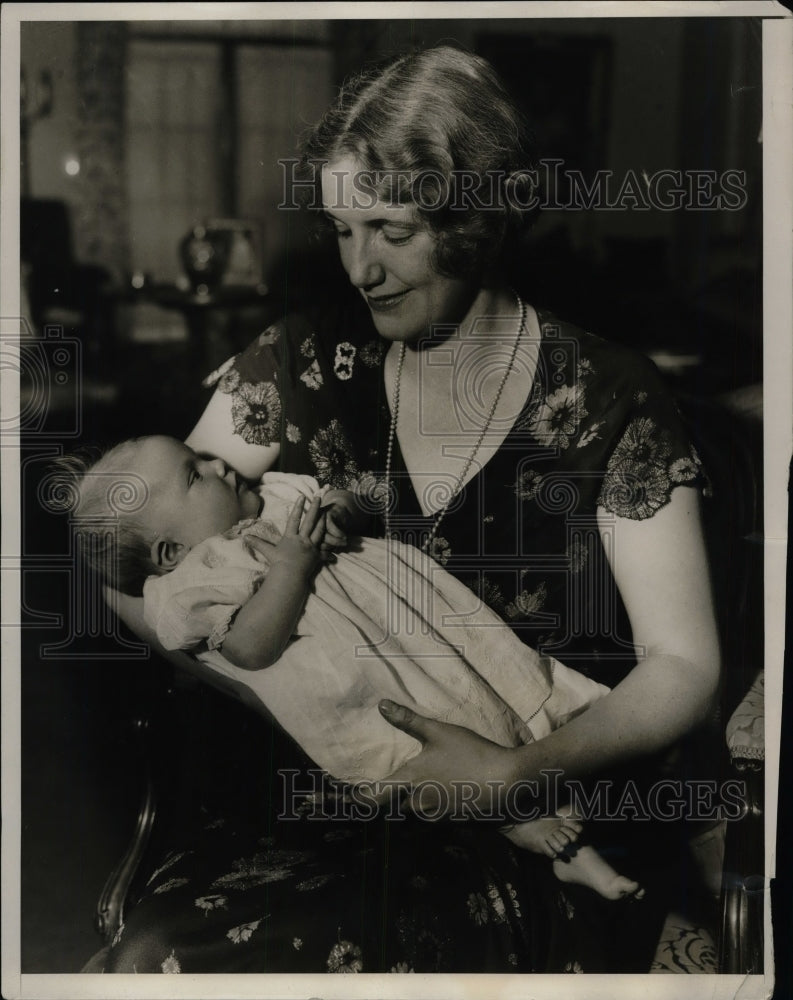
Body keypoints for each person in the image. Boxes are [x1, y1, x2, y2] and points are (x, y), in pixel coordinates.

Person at [98, 44, 720, 974]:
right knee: (162, 956)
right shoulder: (304, 358)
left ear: (475, 213)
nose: (361, 269)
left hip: (554, 805)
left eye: (391, 229)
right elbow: (125, 564)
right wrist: (274, 682)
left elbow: (684, 667)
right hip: (335, 806)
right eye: (343, 231)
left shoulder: (605, 398)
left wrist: (510, 775)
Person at [60, 436, 645, 900]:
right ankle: (533, 831)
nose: (216, 465)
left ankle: (567, 811)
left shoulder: (274, 497)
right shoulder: (190, 584)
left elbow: (343, 498)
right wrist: (291, 565)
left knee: (491, 683)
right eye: (194, 474)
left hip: (415, 624)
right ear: (169, 552)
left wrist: (339, 509)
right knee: (444, 729)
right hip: (363, 683)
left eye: (201, 458)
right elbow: (249, 648)